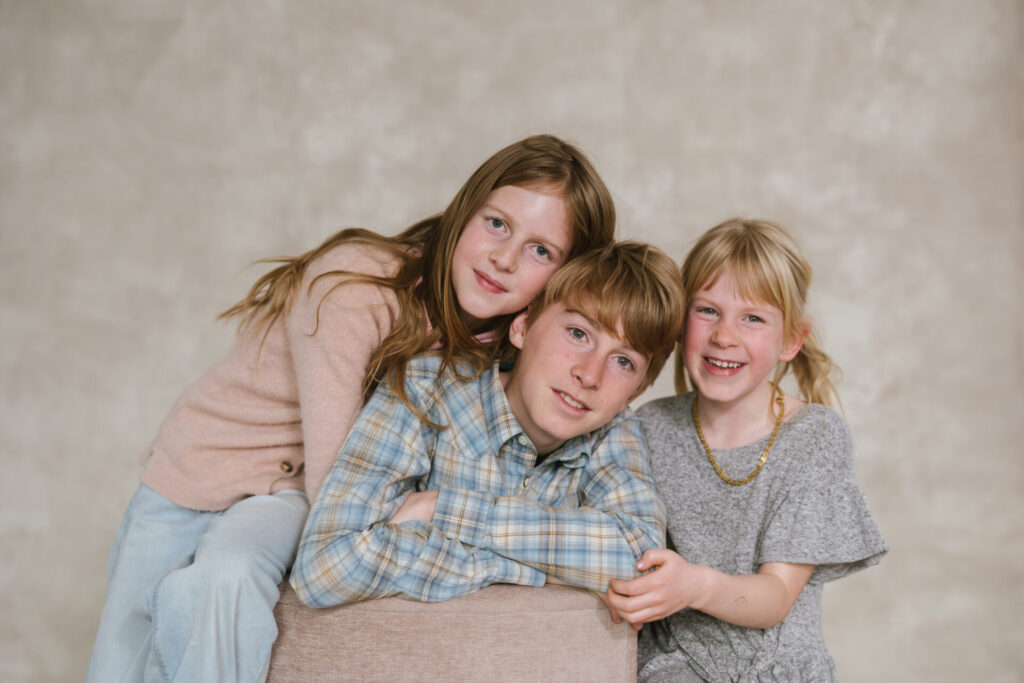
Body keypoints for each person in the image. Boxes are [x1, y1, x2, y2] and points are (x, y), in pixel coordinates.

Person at [87, 134, 617, 683]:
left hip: (287, 500)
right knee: (118, 665)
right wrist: (435, 514)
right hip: (198, 480)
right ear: (464, 211)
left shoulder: (510, 345)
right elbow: (341, 496)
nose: (503, 259)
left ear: (567, 277)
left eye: (540, 251)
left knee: (227, 575)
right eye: (497, 224)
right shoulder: (356, 283)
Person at [290, 241, 685, 607]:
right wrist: (543, 574)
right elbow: (324, 568)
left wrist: (442, 509)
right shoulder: (425, 388)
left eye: (624, 362)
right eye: (578, 333)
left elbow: (640, 561)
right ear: (522, 327)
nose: (590, 374)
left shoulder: (614, 428)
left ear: (634, 393)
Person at [603, 219, 888, 681]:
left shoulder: (815, 437)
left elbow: (775, 596)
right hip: (675, 667)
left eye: (752, 318)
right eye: (707, 311)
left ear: (791, 340)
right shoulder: (646, 427)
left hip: (775, 671)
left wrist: (692, 585)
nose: (725, 336)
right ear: (680, 322)